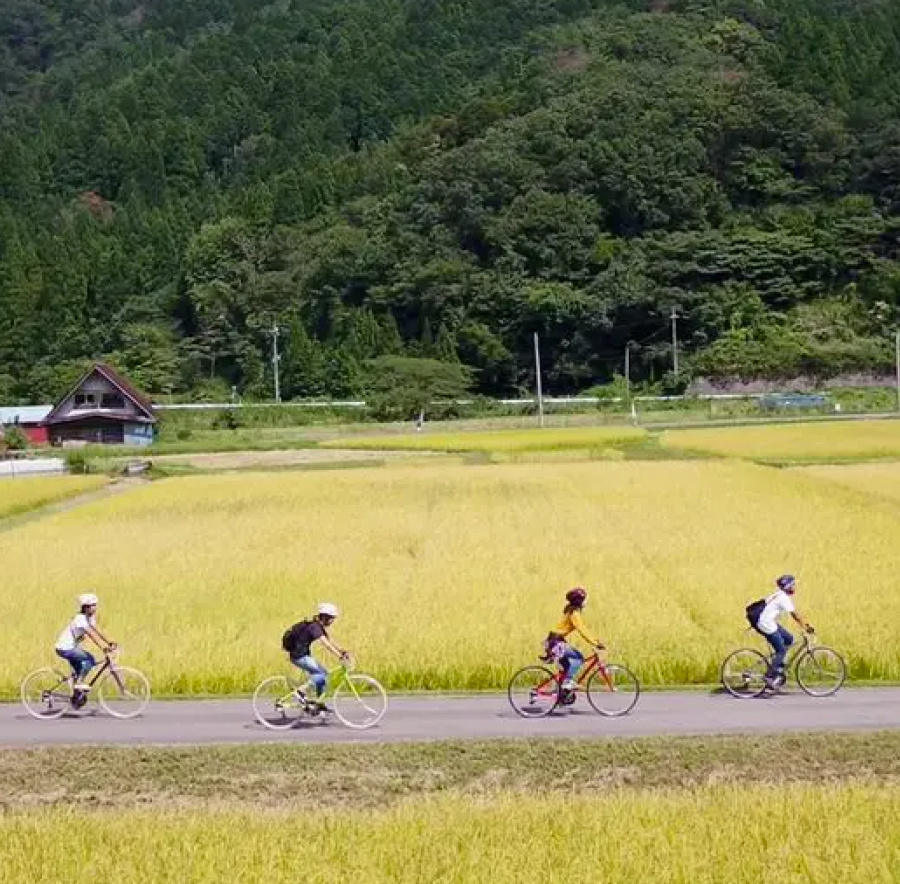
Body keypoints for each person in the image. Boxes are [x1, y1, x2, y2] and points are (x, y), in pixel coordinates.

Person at [282, 602, 349, 710]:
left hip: (303, 655)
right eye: (332, 618)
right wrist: (339, 656)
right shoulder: (314, 627)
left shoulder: (318, 626)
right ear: (325, 617)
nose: (332, 621)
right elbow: (325, 644)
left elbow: (329, 640)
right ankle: (300, 692)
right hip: (299, 657)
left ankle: (318, 703)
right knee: (323, 673)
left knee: (322, 676)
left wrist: (342, 651)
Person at [54, 593, 116, 707]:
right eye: (92, 605)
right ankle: (78, 684)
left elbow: (97, 630)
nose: (95, 608)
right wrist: (103, 648)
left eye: (95, 605)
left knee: (80, 669)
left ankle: (76, 697)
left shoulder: (89, 617)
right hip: (64, 648)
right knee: (89, 659)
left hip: (71, 647)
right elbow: (91, 634)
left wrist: (109, 642)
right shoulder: (80, 619)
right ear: (86, 607)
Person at [754, 575, 814, 687]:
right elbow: (795, 615)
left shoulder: (778, 594)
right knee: (781, 650)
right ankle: (769, 676)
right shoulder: (783, 598)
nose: (795, 587)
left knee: (789, 639)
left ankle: (778, 667)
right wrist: (806, 626)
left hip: (768, 622)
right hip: (766, 624)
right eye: (793, 585)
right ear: (788, 586)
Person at [543, 587, 605, 692]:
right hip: (556, 642)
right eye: (584, 599)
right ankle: (567, 682)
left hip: (554, 641)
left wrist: (595, 640)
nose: (585, 602)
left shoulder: (570, 611)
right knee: (579, 658)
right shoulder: (574, 614)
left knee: (567, 667)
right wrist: (595, 643)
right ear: (579, 601)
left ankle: (561, 694)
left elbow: (583, 629)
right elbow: (582, 630)